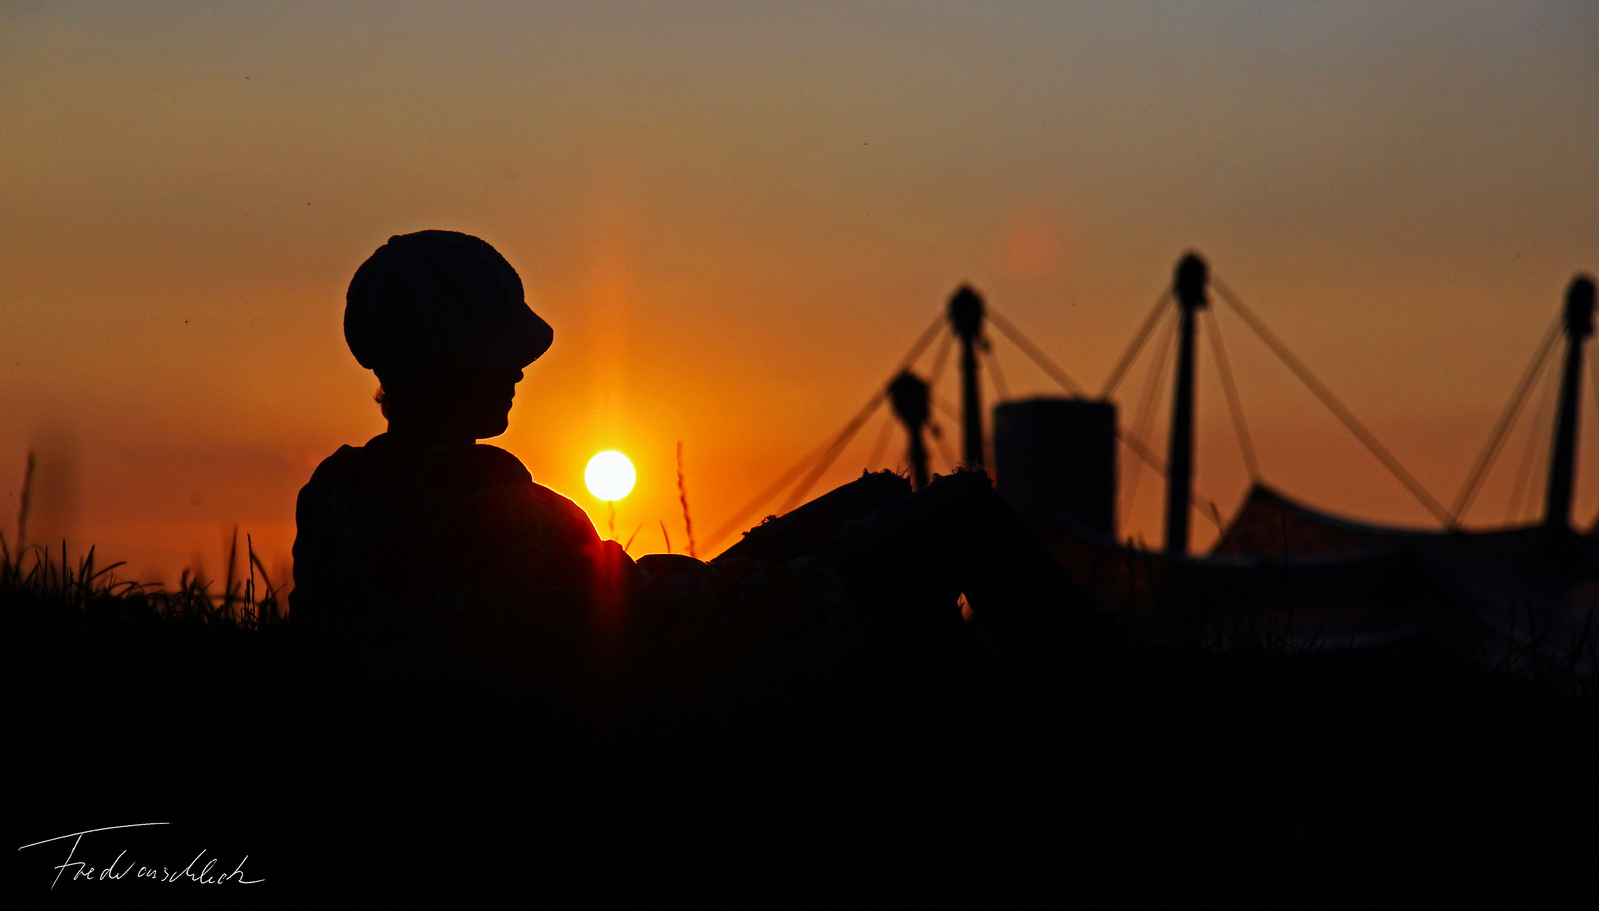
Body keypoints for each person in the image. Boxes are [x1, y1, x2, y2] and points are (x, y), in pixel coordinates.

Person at [291, 230, 1095, 656]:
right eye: (505, 358)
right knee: (964, 511)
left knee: (885, 499)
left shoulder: (340, 495)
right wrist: (758, 592)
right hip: (737, 642)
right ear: (462, 362)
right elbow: (626, 629)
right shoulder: (494, 510)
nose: (519, 374)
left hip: (686, 621)